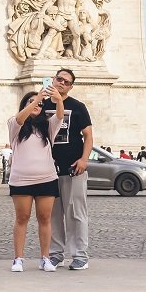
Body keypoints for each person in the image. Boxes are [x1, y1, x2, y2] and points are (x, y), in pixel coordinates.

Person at [7, 87, 64, 272]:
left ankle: (45, 258)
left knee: (45, 218)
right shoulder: (14, 125)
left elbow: (60, 116)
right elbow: (19, 119)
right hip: (21, 180)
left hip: (47, 179)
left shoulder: (47, 126)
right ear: (24, 105)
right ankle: (18, 259)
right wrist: (37, 98)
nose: (37, 105)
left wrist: (58, 100)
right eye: (31, 102)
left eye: (40, 103)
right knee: (22, 218)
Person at [43, 68, 95, 271]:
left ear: (70, 87)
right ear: (53, 80)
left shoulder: (78, 107)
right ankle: (56, 254)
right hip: (48, 169)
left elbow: (88, 136)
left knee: (76, 213)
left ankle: (80, 255)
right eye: (59, 79)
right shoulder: (42, 104)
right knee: (53, 215)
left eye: (66, 82)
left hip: (74, 167)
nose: (61, 83)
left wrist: (84, 159)